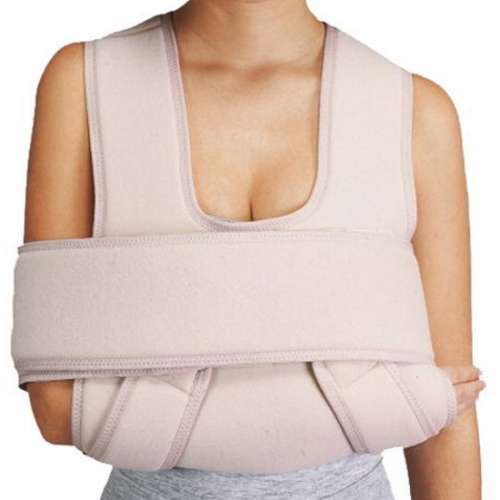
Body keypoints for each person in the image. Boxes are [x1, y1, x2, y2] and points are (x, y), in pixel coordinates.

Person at [23, 1, 484, 498]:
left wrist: (146, 407)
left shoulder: (415, 111)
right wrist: (381, 404)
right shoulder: (86, 82)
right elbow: (56, 407)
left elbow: (446, 417)